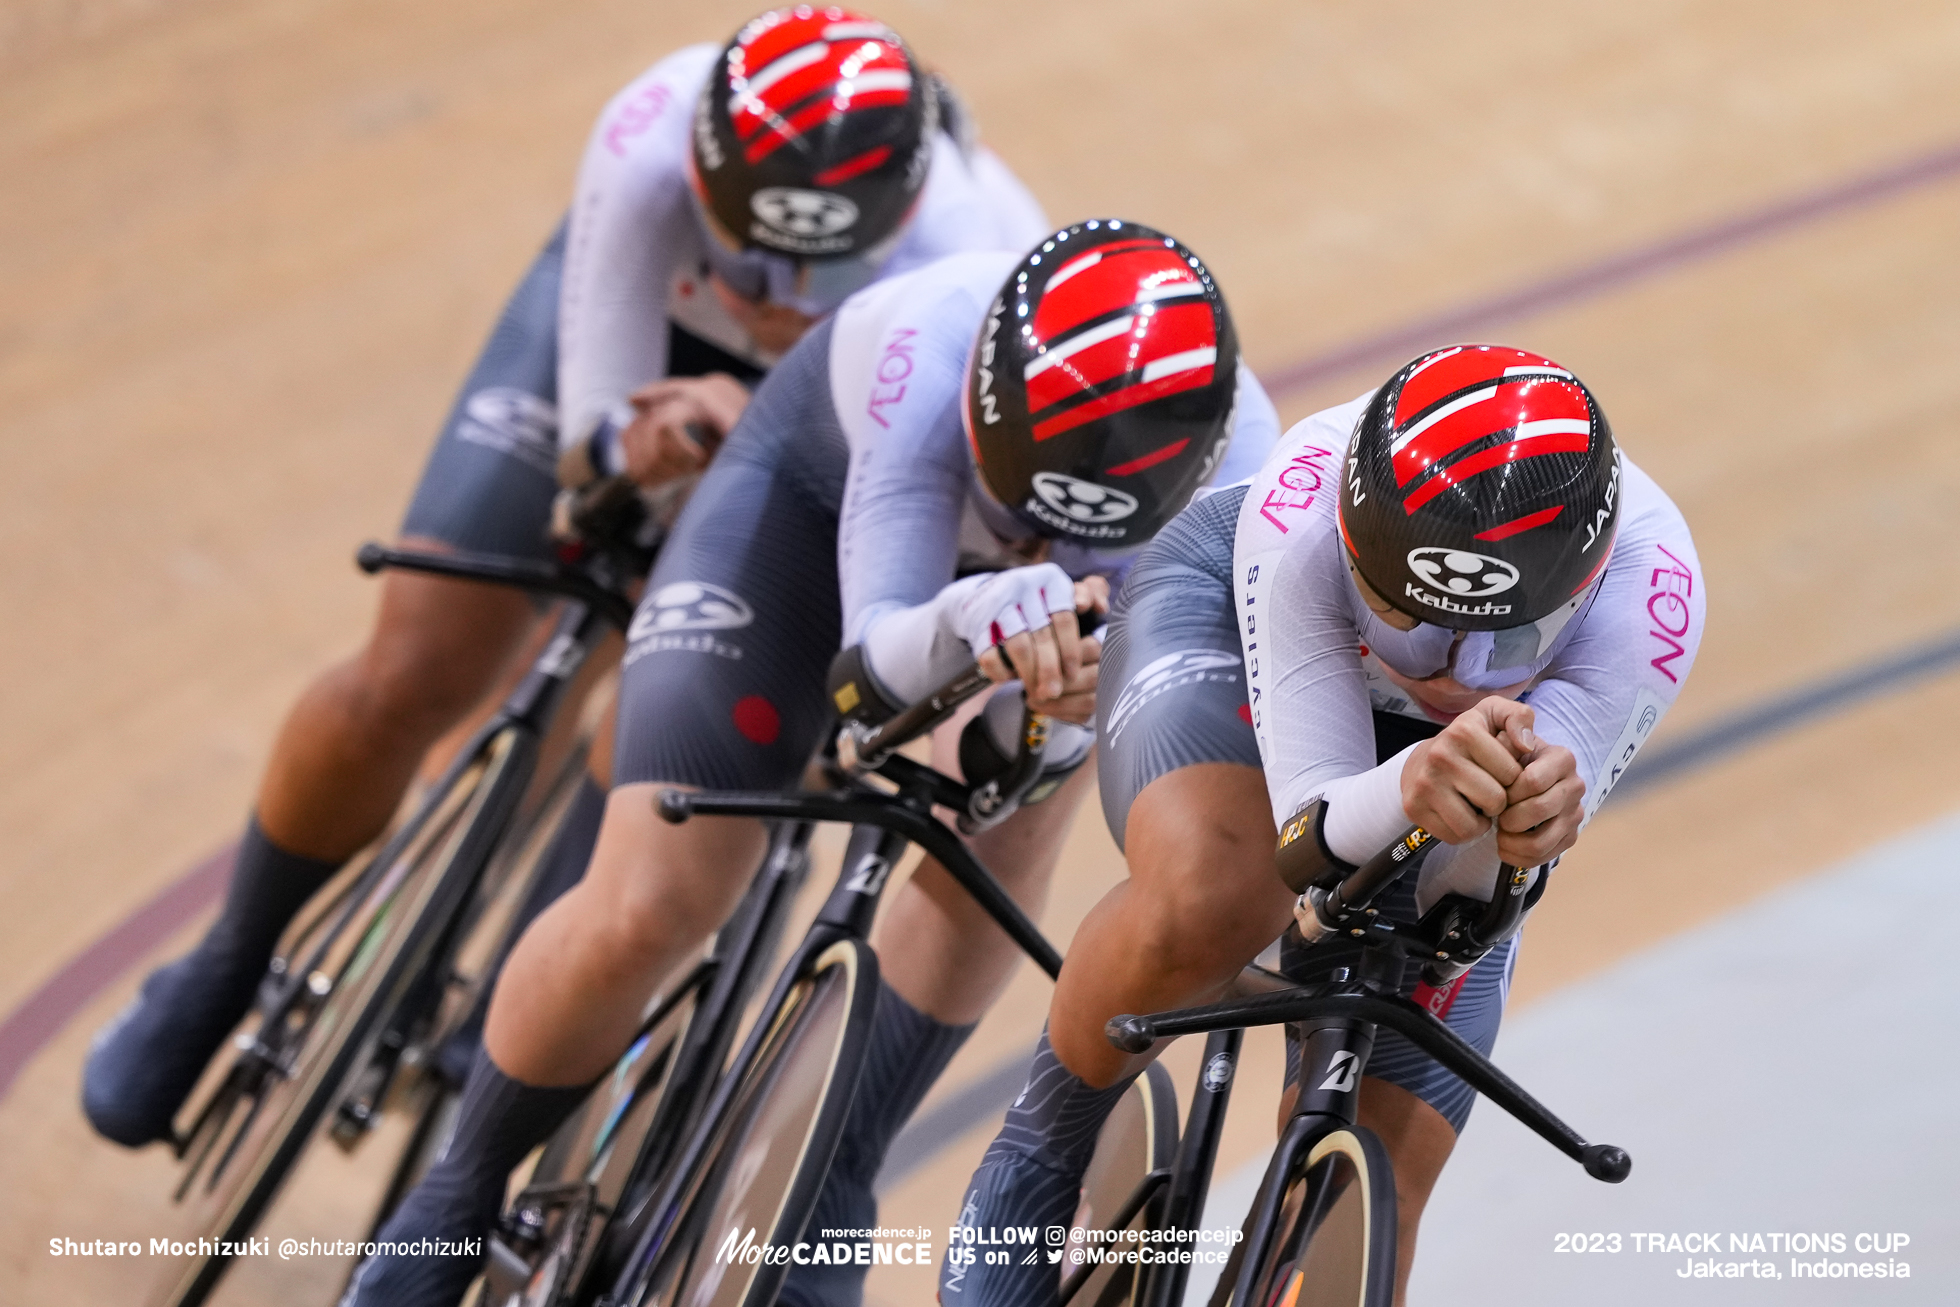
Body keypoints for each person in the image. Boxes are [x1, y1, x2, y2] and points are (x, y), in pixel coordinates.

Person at [82, 5, 1049, 1150]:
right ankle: (230, 956)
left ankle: (519, 1017)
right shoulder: (645, 143)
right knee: (416, 664)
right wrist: (616, 452)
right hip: (646, 352)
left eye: (823, 263)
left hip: (832, 426)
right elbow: (586, 437)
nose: (780, 288)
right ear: (700, 177)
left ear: (891, 226)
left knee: (691, 705)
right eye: (750, 248)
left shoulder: (968, 258)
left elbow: (884, 543)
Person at [341, 219, 1282, 1306]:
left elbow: (1144, 720)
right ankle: (456, 1190)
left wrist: (1069, 696)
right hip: (805, 514)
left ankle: (835, 1162)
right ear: (985, 390)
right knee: (652, 897)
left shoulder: (1239, 478)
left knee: (1017, 805)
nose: (1028, 525)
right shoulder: (924, 350)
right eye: (1018, 488)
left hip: (1058, 600)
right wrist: (982, 610)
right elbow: (867, 668)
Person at [943, 343, 1705, 1306]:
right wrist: (1408, 783)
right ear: (1354, 541)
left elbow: (1480, 894)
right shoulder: (1302, 507)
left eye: (1498, 639)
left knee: (1381, 1169)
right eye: (1396, 605)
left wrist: (1536, 815)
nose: (1442, 665)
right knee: (1216, 893)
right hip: (1230, 621)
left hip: (1429, 759)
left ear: (1580, 591)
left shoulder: (1653, 593)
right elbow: (1305, 836)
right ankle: (1038, 1151)